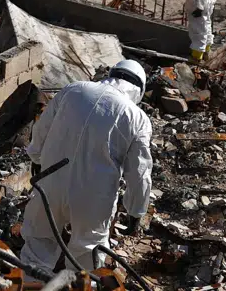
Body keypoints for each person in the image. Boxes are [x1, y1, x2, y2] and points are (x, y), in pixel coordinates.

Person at [19, 59, 153, 275]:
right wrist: (136, 211)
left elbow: (42, 128)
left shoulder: (73, 89)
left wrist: (36, 157)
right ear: (139, 89)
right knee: (85, 259)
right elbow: (139, 173)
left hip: (50, 184)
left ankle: (29, 285)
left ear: (112, 73)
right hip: (92, 199)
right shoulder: (137, 118)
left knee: (37, 247)